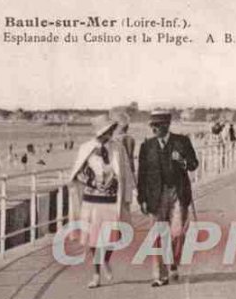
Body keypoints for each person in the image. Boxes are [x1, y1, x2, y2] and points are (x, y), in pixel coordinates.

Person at [69, 121, 135, 289]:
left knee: (113, 235)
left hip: (112, 199)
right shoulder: (86, 148)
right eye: (106, 131)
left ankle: (106, 260)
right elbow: (77, 173)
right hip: (92, 199)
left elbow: (126, 171)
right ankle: (96, 274)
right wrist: (92, 181)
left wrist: (126, 193)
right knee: (93, 237)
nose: (109, 134)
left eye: (111, 130)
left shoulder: (118, 148)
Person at [137, 110, 199, 287]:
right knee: (157, 235)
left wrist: (182, 161)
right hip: (155, 196)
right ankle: (160, 275)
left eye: (157, 125)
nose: (154, 128)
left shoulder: (182, 141)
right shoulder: (146, 146)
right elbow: (141, 175)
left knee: (177, 233)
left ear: (167, 125)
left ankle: (172, 261)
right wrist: (142, 198)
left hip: (177, 193)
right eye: (152, 125)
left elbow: (194, 164)